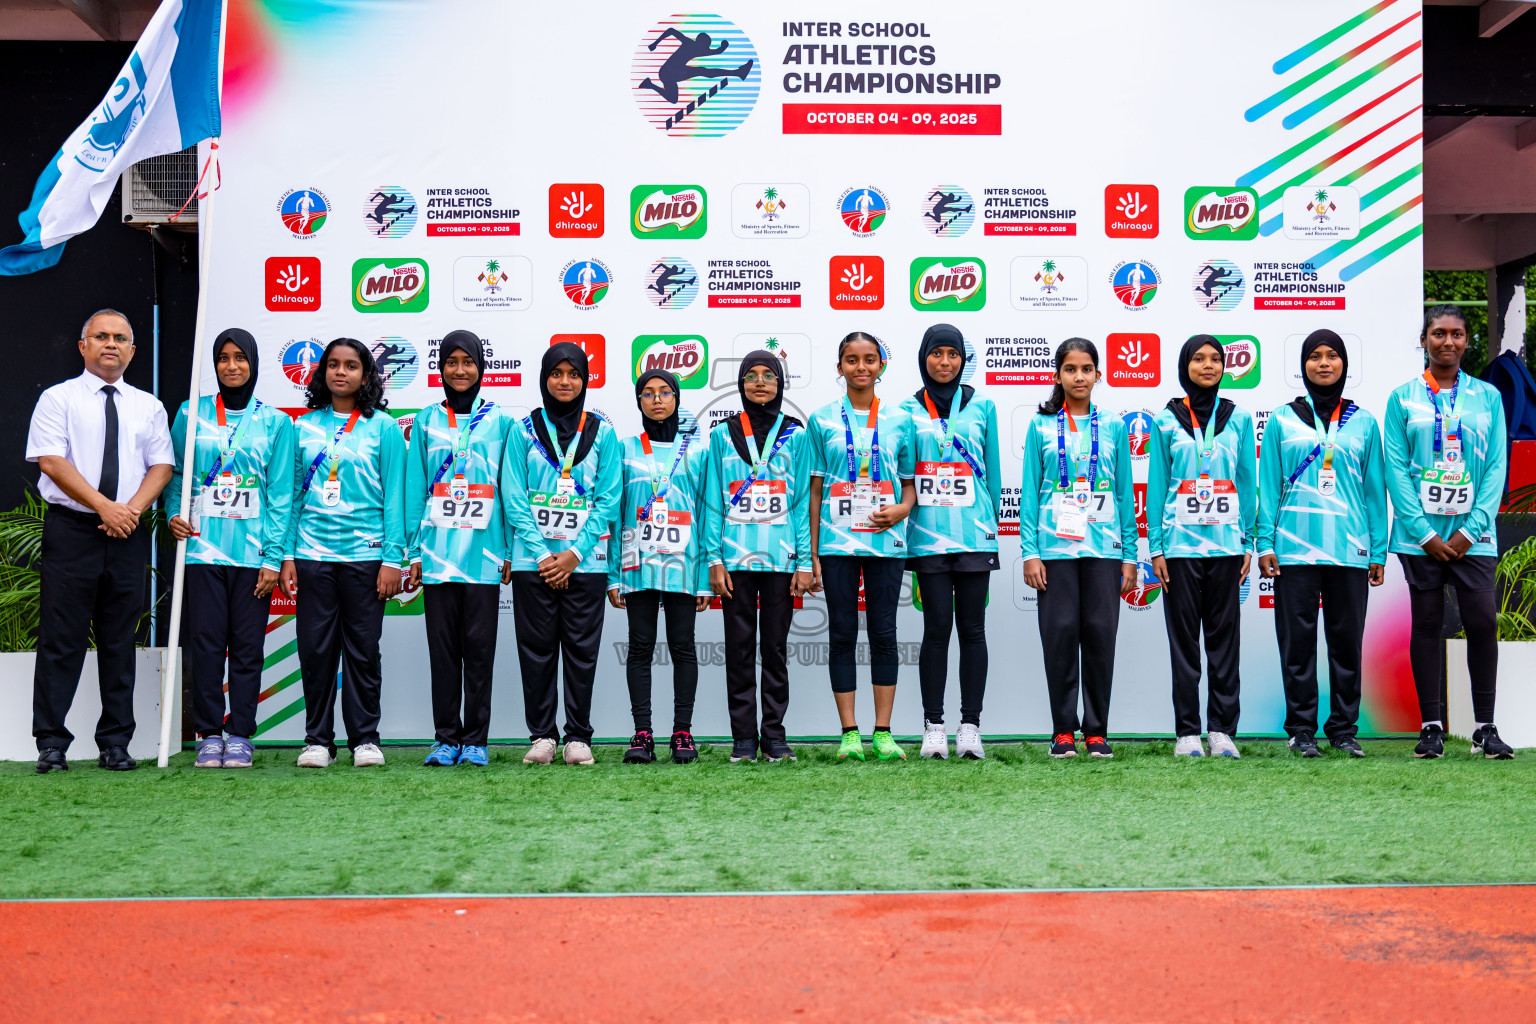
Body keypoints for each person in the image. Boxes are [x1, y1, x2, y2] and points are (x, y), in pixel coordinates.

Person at [25, 309, 174, 773]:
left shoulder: (147, 405)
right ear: (83, 346)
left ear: (133, 350)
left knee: (118, 641)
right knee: (61, 639)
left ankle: (115, 742)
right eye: (101, 336)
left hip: (127, 532)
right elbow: (51, 461)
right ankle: (51, 742)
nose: (111, 344)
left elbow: (162, 467)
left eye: (121, 338)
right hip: (73, 530)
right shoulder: (58, 399)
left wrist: (126, 511)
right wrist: (104, 507)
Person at [1384, 306, 1514, 759]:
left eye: (1457, 334)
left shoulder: (1488, 397)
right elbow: (1396, 470)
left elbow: (1497, 465)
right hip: (1421, 538)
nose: (1448, 342)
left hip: (1473, 535)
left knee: (1481, 621)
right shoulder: (1402, 399)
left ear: (1466, 341)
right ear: (1424, 340)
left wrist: (1471, 530)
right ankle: (1432, 727)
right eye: (1438, 333)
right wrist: (1425, 534)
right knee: (1427, 624)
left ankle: (1485, 727)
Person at [165, 328, 296, 769]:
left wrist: (273, 556)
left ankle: (240, 733)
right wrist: (171, 512)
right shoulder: (191, 412)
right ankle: (208, 733)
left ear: (254, 364)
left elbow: (281, 494)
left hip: (253, 556)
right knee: (204, 644)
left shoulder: (276, 422)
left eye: (241, 357)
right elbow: (176, 473)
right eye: (223, 358)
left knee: (246, 646)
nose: (232, 365)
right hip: (202, 550)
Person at [1257, 330, 1387, 758]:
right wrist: (1265, 544)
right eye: (1315, 356)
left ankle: (1344, 730)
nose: (1324, 363)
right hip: (1294, 549)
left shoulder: (1364, 421)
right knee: (1297, 643)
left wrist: (1378, 550)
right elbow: (1268, 487)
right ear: (1304, 366)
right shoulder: (1281, 419)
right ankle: (1300, 729)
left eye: (1333, 355)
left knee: (1346, 643)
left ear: (1344, 365)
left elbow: (1373, 492)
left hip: (1350, 550)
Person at [279, 339, 407, 768]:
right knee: (315, 650)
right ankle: (317, 740)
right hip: (313, 555)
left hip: (367, 556)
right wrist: (287, 555)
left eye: (351, 366)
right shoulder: (302, 427)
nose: (341, 373)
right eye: (333, 365)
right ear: (322, 373)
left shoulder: (384, 428)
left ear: (366, 375)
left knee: (363, 650)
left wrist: (393, 559)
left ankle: (364, 739)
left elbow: (395, 497)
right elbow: (292, 496)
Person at [502, 343, 621, 766]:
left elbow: (609, 501)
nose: (565, 381)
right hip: (534, 563)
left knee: (581, 650)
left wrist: (572, 553)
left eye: (574, 374)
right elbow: (513, 497)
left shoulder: (603, 433)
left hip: (585, 564)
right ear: (545, 377)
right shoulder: (523, 430)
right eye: (557, 373)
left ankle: (578, 737)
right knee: (535, 650)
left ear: (585, 380)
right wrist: (541, 555)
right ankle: (542, 737)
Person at [1019, 339, 1138, 759]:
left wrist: (1130, 555)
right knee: (1061, 637)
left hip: (1104, 550)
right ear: (1057, 375)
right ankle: (1063, 730)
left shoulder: (1114, 425)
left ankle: (1097, 731)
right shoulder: (1040, 425)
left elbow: (1124, 491)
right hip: (1054, 551)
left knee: (1101, 638)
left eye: (1087, 368)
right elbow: (1030, 494)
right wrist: (1029, 552)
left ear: (1098, 375)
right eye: (1070, 369)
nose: (1079, 376)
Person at [403, 331, 514, 768]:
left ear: (482, 368)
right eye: (452, 361)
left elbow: (509, 491)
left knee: (480, 651)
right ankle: (446, 737)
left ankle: (477, 740)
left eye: (468, 361)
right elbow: (415, 489)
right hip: (436, 555)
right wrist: (413, 553)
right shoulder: (425, 420)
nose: (460, 369)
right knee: (444, 651)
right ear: (441, 368)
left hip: (484, 557)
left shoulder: (502, 422)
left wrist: (506, 549)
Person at [700, 351, 816, 762]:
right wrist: (713, 559)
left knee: (776, 650)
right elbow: (712, 500)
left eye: (769, 376)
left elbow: (802, 501)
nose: (760, 382)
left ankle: (775, 733)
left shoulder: (796, 435)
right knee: (739, 649)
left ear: (781, 384)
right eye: (751, 376)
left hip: (782, 561)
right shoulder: (720, 435)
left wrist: (805, 561)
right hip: (734, 562)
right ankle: (744, 738)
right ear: (741, 384)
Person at [807, 332, 917, 762]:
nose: (861, 368)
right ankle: (849, 732)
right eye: (851, 360)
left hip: (885, 543)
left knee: (885, 635)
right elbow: (815, 490)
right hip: (837, 544)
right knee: (842, 635)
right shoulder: (822, 420)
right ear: (839, 367)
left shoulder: (900, 419)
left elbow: (910, 486)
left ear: (881, 366)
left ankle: (883, 732)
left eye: (869, 359)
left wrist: (902, 510)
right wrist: (812, 553)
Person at [1145, 335, 1256, 759]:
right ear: (1184, 366)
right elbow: (1156, 487)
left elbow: (1247, 482)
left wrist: (1248, 541)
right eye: (1198, 359)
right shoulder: (1166, 420)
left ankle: (1222, 730)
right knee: (1184, 643)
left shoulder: (1239, 418)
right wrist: (1155, 548)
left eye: (1215, 359)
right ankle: (1188, 730)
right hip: (1179, 548)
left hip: (1227, 547)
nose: (1207, 366)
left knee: (1224, 641)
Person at [898, 324, 1000, 760]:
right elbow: (903, 473)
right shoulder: (905, 410)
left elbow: (993, 473)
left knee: (973, 630)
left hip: (974, 536)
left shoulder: (984, 406)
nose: (944, 362)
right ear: (924, 358)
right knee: (936, 629)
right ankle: (933, 725)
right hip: (927, 538)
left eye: (952, 354)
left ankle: (970, 726)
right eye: (936, 353)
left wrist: (991, 526)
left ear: (963, 359)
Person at [607, 369, 712, 764]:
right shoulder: (625, 448)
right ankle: (643, 733)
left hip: (684, 566)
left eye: (665, 392)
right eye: (648, 393)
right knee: (640, 648)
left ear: (677, 399)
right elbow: (616, 516)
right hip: (638, 566)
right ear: (638, 401)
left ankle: (682, 733)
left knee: (684, 648)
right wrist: (614, 574)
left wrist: (704, 579)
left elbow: (705, 516)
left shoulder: (696, 451)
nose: (657, 400)